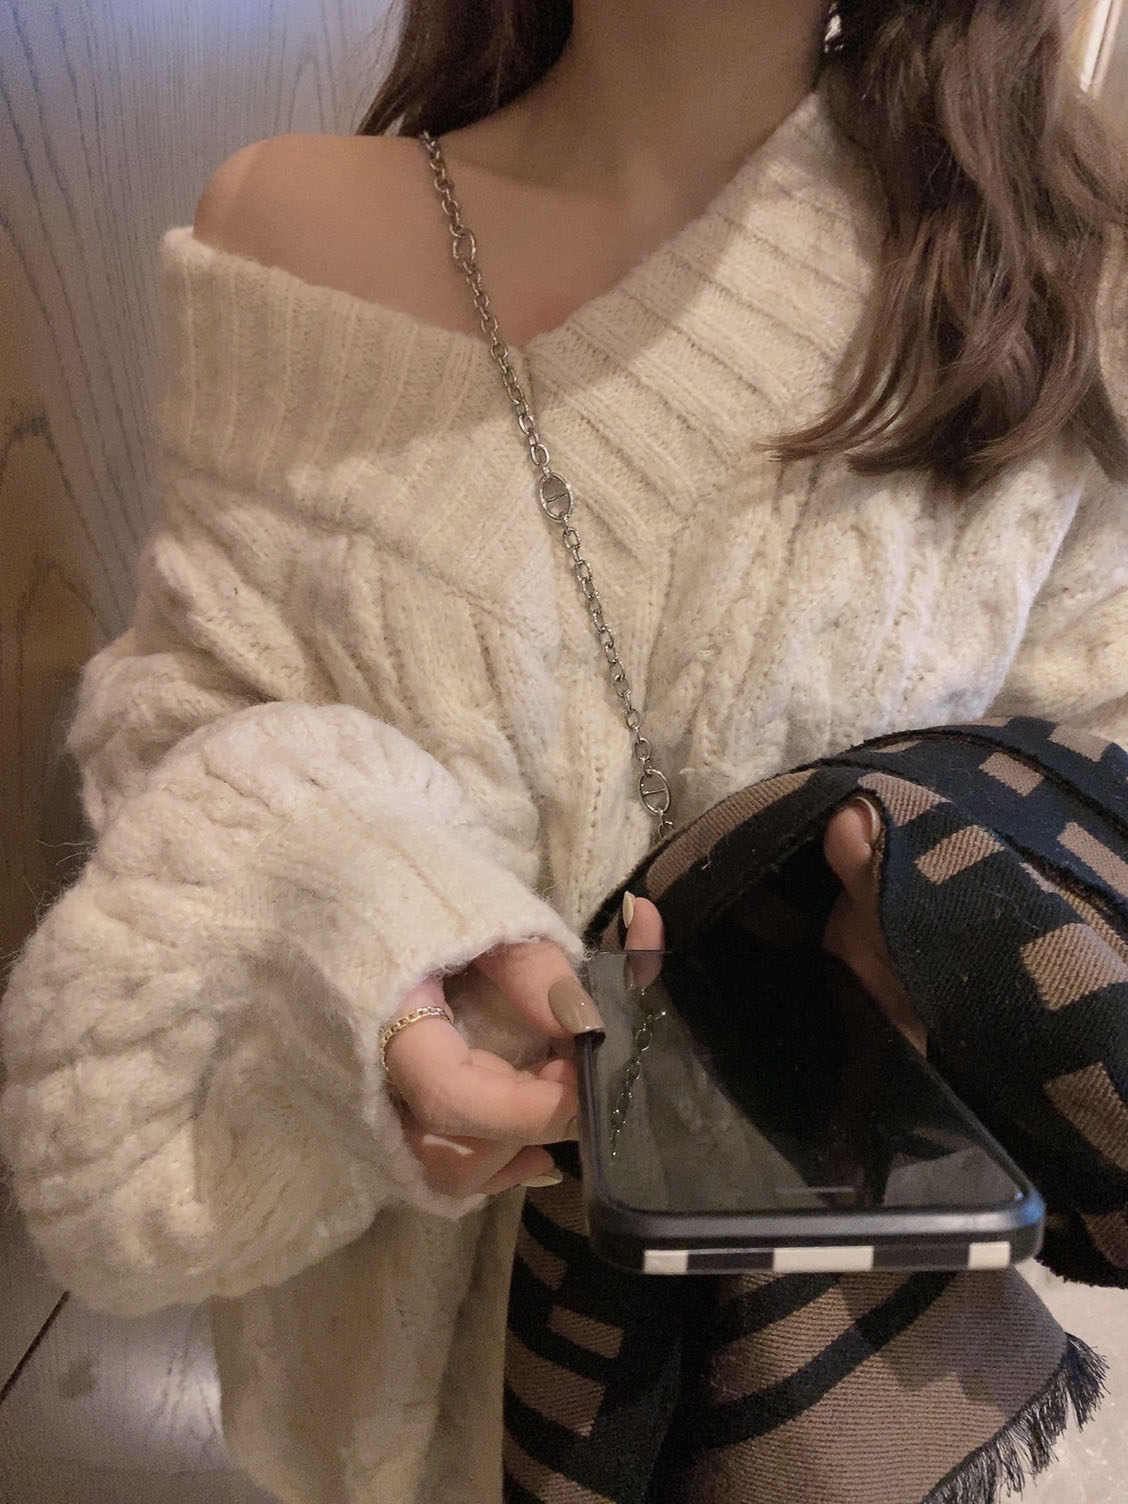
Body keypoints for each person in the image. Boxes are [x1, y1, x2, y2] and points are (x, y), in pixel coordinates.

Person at [1, 1, 1126, 1500]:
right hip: (376, 1380)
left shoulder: (1045, 274)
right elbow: (179, 729)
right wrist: (374, 924)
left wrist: (964, 918)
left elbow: (1092, 773)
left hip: (833, 1394)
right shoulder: (285, 224)